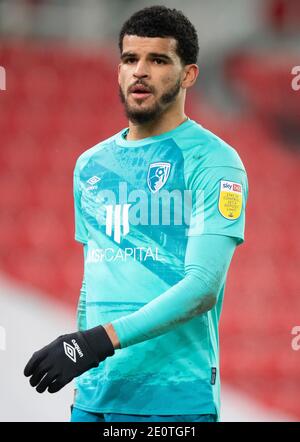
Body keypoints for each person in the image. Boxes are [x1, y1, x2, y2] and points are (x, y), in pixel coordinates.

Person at [24, 5, 248, 423]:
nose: (139, 71)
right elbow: (93, 280)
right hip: (96, 396)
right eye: (130, 59)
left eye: (158, 60)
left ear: (188, 75)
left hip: (173, 399)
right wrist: (85, 367)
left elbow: (202, 287)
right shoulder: (90, 164)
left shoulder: (215, 162)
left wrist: (96, 342)